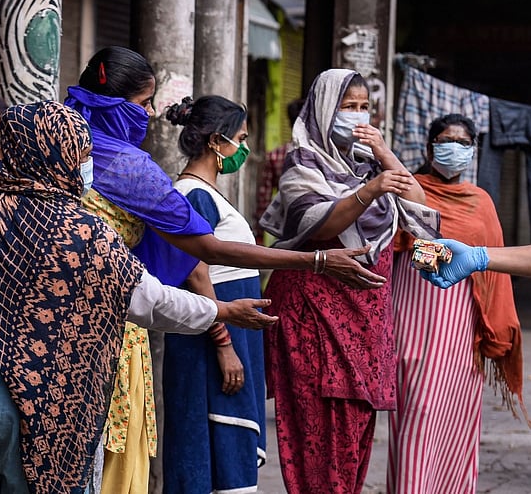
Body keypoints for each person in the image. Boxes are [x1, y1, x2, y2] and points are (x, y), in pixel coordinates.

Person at [64, 46, 384, 493]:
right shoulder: (132, 168)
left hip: (51, 327)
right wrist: (314, 260)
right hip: (105, 333)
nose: (151, 114)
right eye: (143, 105)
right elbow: (207, 255)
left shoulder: (57, 144)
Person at [0, 101, 278, 494]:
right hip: (33, 402)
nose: (87, 165)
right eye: (84, 155)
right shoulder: (81, 229)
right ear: (59, 154)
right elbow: (148, 300)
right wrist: (221, 310)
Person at [257, 68, 439, 494]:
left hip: (364, 318)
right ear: (323, 109)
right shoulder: (304, 161)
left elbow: (423, 214)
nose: (358, 117)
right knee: (321, 429)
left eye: (364, 108)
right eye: (347, 107)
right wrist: (369, 191)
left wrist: (385, 155)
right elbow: (315, 225)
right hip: (314, 316)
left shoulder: (369, 163)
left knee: (356, 428)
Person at [389, 115, 527, 493]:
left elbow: (494, 265)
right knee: (418, 415)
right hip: (416, 322)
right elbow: (415, 248)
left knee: (459, 420)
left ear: (473, 150)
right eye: (446, 140)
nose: (455, 148)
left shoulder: (481, 201)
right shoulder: (408, 191)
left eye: (463, 142)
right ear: (430, 146)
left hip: (464, 329)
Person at [164, 95, 266, 493]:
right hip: (212, 341)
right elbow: (196, 271)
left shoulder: (208, 193)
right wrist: (224, 345)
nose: (244, 148)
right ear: (216, 141)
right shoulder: (194, 194)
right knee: (212, 445)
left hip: (227, 335)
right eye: (240, 138)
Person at [255, 98, 304, 245]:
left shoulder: (276, 155)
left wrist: (259, 232)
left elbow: (264, 198)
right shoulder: (321, 155)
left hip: (284, 223)